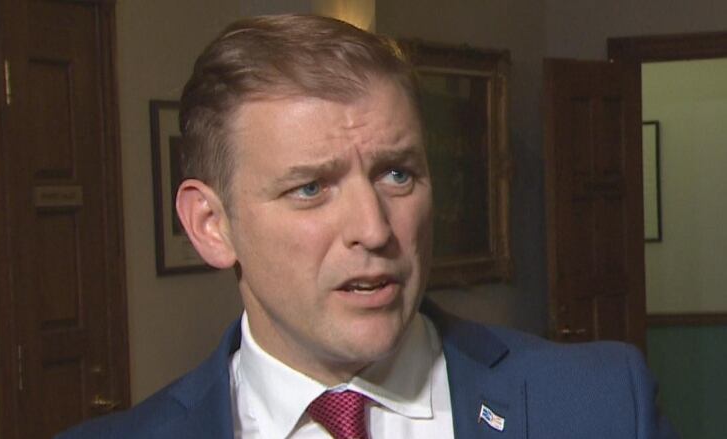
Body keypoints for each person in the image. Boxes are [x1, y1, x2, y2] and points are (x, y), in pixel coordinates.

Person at [58, 14, 677, 439]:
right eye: (311, 188)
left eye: (397, 175)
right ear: (210, 225)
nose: (374, 229)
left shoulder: (597, 405)